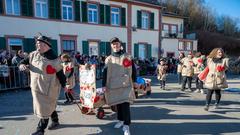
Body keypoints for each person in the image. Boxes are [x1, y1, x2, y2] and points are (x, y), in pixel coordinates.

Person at [19, 33, 66, 135]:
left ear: (46, 45)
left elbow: (60, 74)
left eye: (39, 44)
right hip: (36, 88)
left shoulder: (54, 59)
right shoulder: (33, 55)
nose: (37, 45)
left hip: (49, 89)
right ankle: (55, 120)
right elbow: (22, 62)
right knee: (49, 106)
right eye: (37, 44)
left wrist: (64, 85)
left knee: (44, 108)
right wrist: (22, 65)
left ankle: (40, 130)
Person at [102, 37, 136, 135]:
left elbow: (133, 69)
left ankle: (126, 125)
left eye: (117, 44)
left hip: (126, 84)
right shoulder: (108, 59)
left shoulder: (127, 56)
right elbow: (105, 72)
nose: (115, 46)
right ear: (111, 46)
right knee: (118, 104)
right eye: (113, 44)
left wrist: (134, 81)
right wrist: (104, 84)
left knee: (125, 105)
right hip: (114, 85)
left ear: (120, 44)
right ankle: (120, 120)